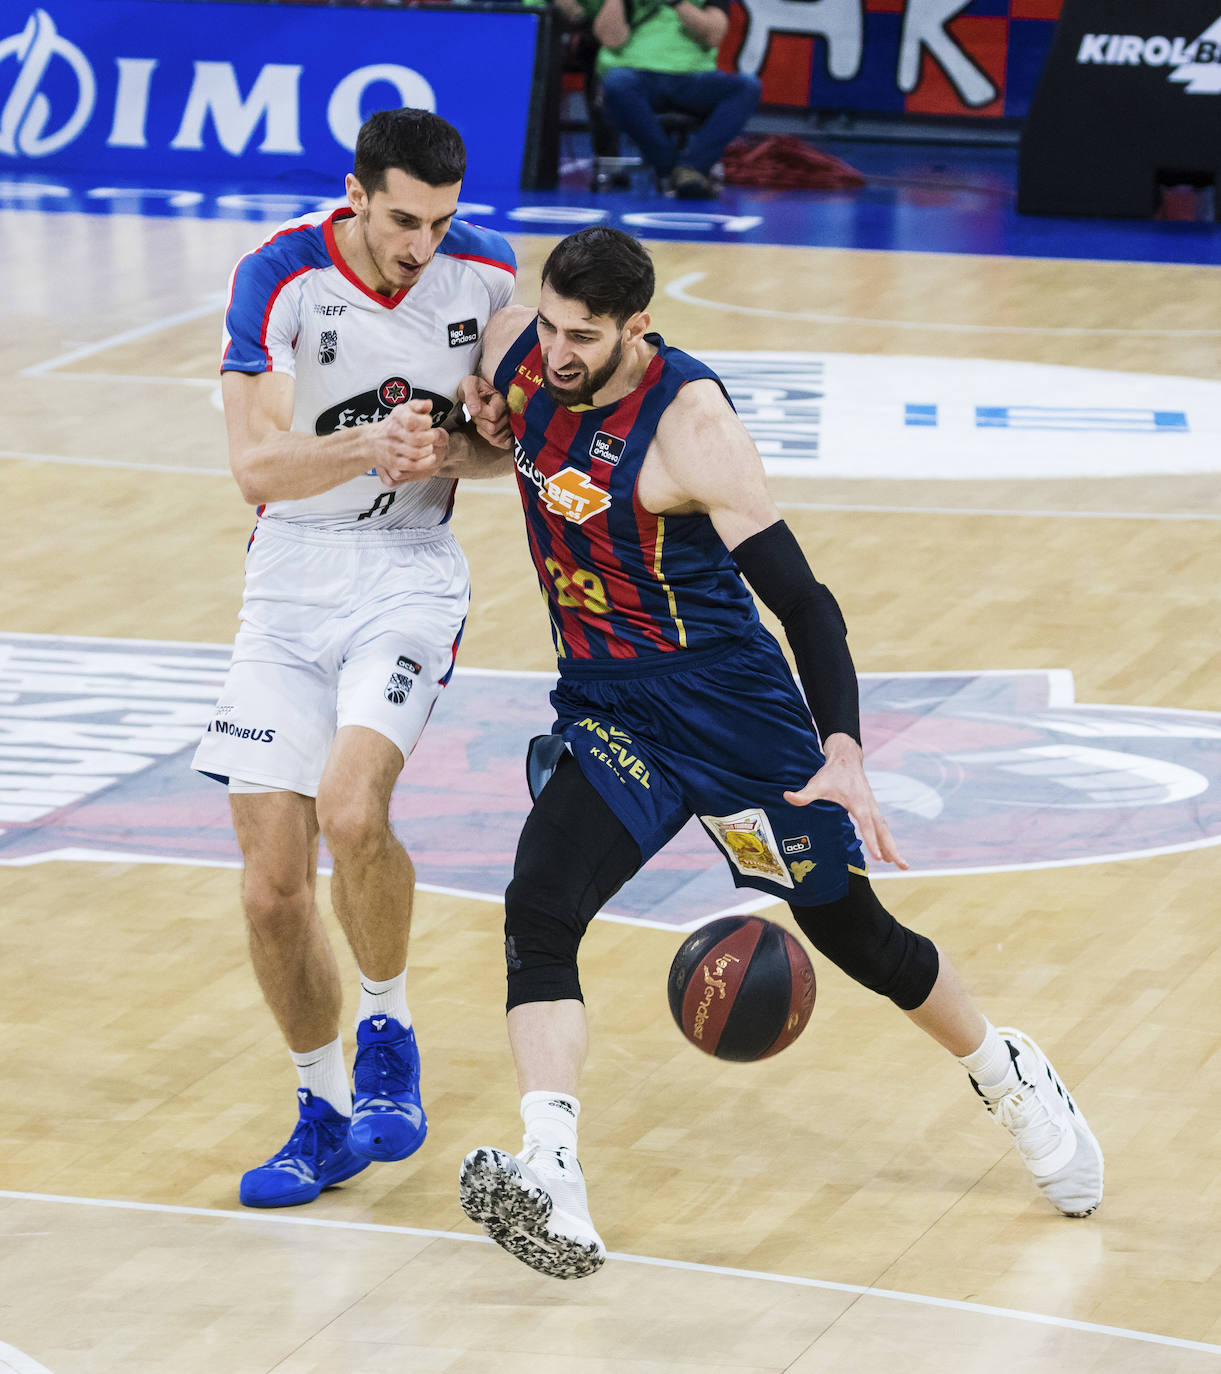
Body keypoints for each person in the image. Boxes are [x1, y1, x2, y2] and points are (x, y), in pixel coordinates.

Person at [442, 226, 1103, 1278]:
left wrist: (840, 743)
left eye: (586, 336)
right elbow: (500, 456)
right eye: (554, 326)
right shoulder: (523, 350)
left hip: (737, 714)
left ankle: (1005, 1071)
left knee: (853, 936)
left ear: (637, 329)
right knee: (540, 904)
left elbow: (805, 602)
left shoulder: (692, 424)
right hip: (614, 707)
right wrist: (468, 433)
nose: (560, 353)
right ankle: (553, 1177)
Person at [191, 108, 517, 1209]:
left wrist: (467, 444)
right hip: (289, 578)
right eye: (402, 219)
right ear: (356, 194)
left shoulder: (486, 278)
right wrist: (364, 447)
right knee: (274, 889)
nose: (421, 244)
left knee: (350, 808)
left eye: (440, 221)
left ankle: (389, 1026)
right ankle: (320, 1113)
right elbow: (255, 469)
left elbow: (503, 453)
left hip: (407, 573)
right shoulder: (278, 275)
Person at [576, 0, 761, 198]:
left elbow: (714, 34)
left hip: (694, 79)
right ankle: (671, 168)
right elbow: (610, 39)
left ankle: (692, 167)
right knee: (616, 84)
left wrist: (676, 3)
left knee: (747, 86)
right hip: (636, 76)